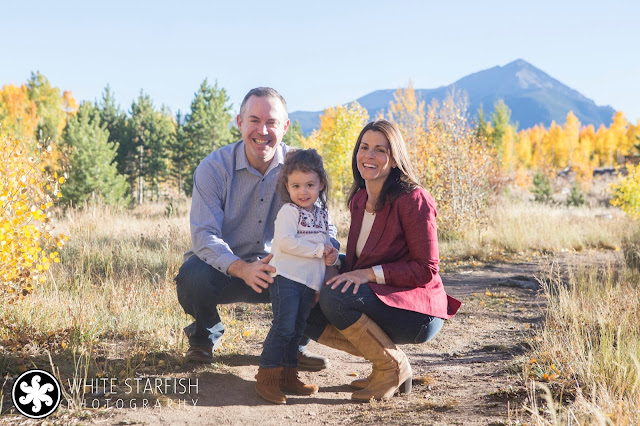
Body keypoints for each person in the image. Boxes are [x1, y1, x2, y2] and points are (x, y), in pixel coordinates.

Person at [175, 87, 337, 370]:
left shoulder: (304, 167)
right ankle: (203, 338)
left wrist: (329, 256)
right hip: (225, 269)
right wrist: (242, 268)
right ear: (239, 122)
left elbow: (326, 227)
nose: (262, 130)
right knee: (191, 276)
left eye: (271, 122)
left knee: (333, 274)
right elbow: (204, 236)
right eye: (253, 120)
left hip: (282, 269)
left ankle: (293, 345)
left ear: (284, 127)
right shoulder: (213, 168)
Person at [304, 119, 462, 401]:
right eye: (364, 147)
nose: (369, 156)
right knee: (301, 294)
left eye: (380, 150)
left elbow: (426, 269)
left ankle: (392, 367)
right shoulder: (359, 198)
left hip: (417, 310)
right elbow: (356, 263)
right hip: (380, 296)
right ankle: (382, 365)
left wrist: (367, 275)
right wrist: (329, 267)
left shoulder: (414, 199)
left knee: (335, 296)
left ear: (394, 157)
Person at [255, 149, 339, 404]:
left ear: (320, 184)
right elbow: (285, 242)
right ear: (287, 187)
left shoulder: (322, 214)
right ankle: (267, 377)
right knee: (283, 327)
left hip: (308, 283)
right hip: (287, 279)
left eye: (310, 185)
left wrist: (332, 253)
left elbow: (328, 242)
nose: (303, 191)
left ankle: (289, 375)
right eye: (296, 185)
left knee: (297, 329)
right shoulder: (289, 212)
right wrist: (317, 250)